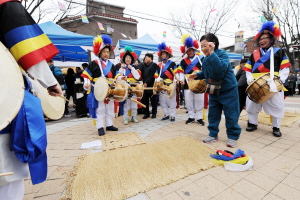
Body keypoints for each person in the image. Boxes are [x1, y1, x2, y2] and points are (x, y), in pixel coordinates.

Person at [0, 1, 62, 199]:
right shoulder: (6, 5)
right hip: (4, 95)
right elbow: (24, 45)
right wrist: (49, 82)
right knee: (8, 175)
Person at [189, 33, 241, 148]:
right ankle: (213, 134)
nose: (203, 49)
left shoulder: (222, 54)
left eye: (205, 46)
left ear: (213, 44)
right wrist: (197, 75)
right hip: (213, 89)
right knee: (213, 114)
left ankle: (232, 136)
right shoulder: (207, 58)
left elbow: (219, 70)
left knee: (231, 114)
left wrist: (212, 53)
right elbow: (208, 74)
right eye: (201, 46)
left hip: (228, 90)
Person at [243, 21, 290, 137]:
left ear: (272, 39)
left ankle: (276, 127)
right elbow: (248, 69)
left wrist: (279, 82)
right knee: (252, 104)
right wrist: (250, 80)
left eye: (265, 38)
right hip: (255, 84)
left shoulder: (279, 51)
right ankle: (252, 123)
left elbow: (285, 69)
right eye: (260, 38)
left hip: (273, 83)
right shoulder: (254, 53)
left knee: (276, 105)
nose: (262, 40)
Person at [81, 34, 119, 136]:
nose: (106, 54)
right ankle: (100, 127)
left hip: (110, 89)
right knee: (100, 108)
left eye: (108, 52)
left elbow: (116, 76)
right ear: (99, 52)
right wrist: (87, 83)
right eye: (104, 52)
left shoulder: (112, 65)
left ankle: (109, 125)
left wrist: (120, 78)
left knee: (110, 108)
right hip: (98, 89)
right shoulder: (94, 63)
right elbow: (86, 76)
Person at [176, 34, 205, 126]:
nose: (189, 52)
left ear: (193, 49)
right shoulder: (183, 61)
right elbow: (180, 72)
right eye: (187, 51)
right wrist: (181, 80)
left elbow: (205, 69)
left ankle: (199, 117)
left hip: (198, 80)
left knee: (199, 99)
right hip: (187, 81)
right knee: (188, 100)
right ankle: (191, 117)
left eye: (190, 50)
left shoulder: (201, 58)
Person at [117, 46, 141, 124]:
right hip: (124, 88)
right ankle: (126, 118)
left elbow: (137, 77)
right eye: (126, 58)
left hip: (133, 87)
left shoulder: (135, 68)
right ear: (124, 59)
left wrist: (132, 69)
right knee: (125, 104)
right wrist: (122, 69)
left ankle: (134, 117)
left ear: (132, 59)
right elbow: (118, 78)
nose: (128, 59)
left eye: (129, 58)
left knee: (134, 103)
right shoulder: (121, 68)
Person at [156, 42, 177, 122]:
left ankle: (173, 115)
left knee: (171, 100)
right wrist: (157, 80)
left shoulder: (173, 64)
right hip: (161, 85)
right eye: (162, 54)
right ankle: (166, 114)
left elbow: (176, 74)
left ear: (168, 55)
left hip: (170, 85)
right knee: (162, 101)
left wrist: (174, 82)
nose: (163, 56)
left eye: (164, 54)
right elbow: (156, 75)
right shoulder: (159, 65)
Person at [139, 53, 159, 119]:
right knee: (145, 100)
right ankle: (146, 113)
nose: (145, 59)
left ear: (150, 58)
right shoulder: (144, 66)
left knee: (153, 101)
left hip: (151, 86)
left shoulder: (154, 65)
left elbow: (152, 76)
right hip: (145, 86)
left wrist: (147, 82)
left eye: (146, 57)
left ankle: (154, 113)